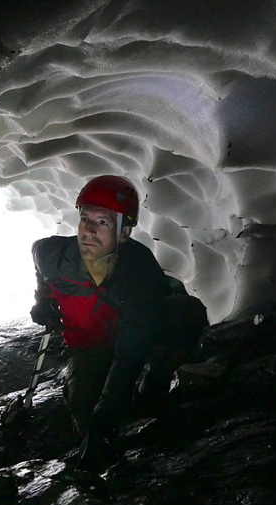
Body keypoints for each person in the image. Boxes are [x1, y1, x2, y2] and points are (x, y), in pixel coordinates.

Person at [30, 175, 196, 471]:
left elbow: (130, 352)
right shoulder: (52, 255)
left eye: (103, 222)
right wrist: (42, 299)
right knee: (84, 412)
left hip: (131, 336)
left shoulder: (139, 268)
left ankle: (153, 388)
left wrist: (104, 418)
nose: (89, 230)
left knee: (187, 312)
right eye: (85, 219)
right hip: (90, 343)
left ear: (124, 232)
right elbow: (37, 257)